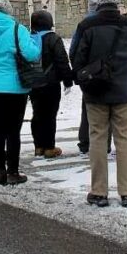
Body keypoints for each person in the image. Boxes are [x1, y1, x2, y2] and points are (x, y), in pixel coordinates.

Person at [72, 0, 127, 208]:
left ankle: (99, 191)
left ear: (98, 0)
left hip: (96, 91)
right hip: (124, 90)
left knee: (98, 139)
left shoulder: (86, 26)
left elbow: (76, 57)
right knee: (124, 139)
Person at [0, 0, 41, 185]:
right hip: (17, 89)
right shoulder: (18, 29)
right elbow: (31, 54)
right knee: (13, 131)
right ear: (9, 11)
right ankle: (13, 172)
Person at [29, 10, 74, 158]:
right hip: (51, 83)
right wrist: (68, 80)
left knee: (37, 114)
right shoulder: (53, 38)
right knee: (49, 115)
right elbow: (62, 61)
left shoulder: (29, 38)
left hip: (34, 82)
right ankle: (49, 147)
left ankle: (38, 146)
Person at [69, 0, 98, 155]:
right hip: (109, 73)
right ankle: (104, 142)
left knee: (87, 107)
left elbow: (73, 50)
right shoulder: (110, 21)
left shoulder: (83, 24)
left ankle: (85, 142)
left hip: (87, 73)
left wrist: (78, 72)